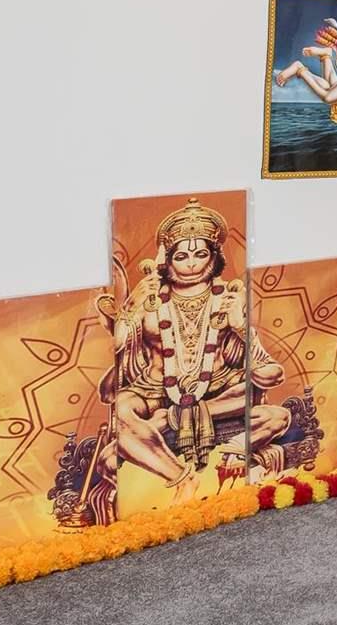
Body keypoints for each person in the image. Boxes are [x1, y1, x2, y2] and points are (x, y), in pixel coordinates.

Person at [100, 200, 282, 512]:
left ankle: (169, 422)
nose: (192, 264)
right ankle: (182, 478)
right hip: (155, 391)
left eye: (201, 254)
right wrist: (132, 306)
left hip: (216, 392)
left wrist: (240, 327)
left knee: (276, 415)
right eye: (182, 256)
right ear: (167, 259)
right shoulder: (150, 298)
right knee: (122, 408)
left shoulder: (229, 299)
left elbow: (270, 373)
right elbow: (118, 346)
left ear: (214, 256)